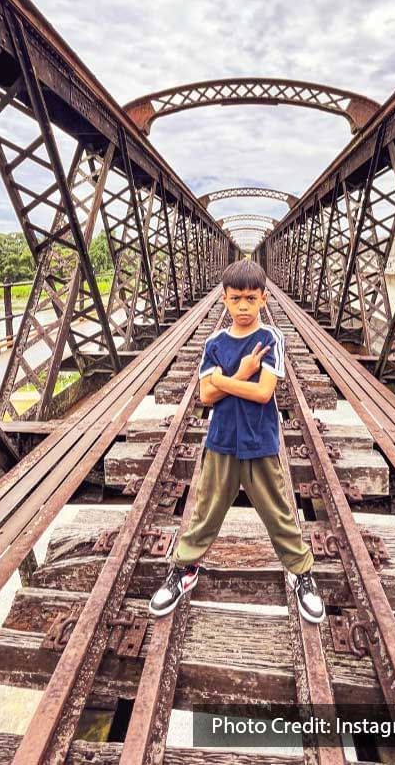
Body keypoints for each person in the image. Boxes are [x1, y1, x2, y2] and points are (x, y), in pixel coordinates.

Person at [148, 259, 325, 624]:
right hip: (222, 440)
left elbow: (262, 394)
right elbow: (203, 397)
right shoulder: (214, 342)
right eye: (235, 298)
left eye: (249, 298)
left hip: (260, 441)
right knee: (205, 511)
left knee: (279, 511)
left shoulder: (271, 339)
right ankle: (184, 570)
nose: (242, 306)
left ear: (263, 298)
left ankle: (300, 572)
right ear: (224, 300)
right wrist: (241, 373)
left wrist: (225, 380)